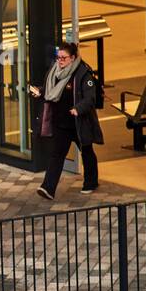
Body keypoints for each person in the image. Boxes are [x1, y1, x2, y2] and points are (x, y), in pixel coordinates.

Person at [29, 40, 103, 199]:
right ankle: (48, 188)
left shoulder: (82, 73)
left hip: (78, 122)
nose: (60, 61)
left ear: (73, 58)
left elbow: (90, 98)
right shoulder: (54, 70)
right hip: (60, 123)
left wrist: (78, 109)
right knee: (57, 154)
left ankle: (91, 182)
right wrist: (40, 91)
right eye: (58, 57)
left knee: (87, 151)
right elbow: (51, 91)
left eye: (64, 58)